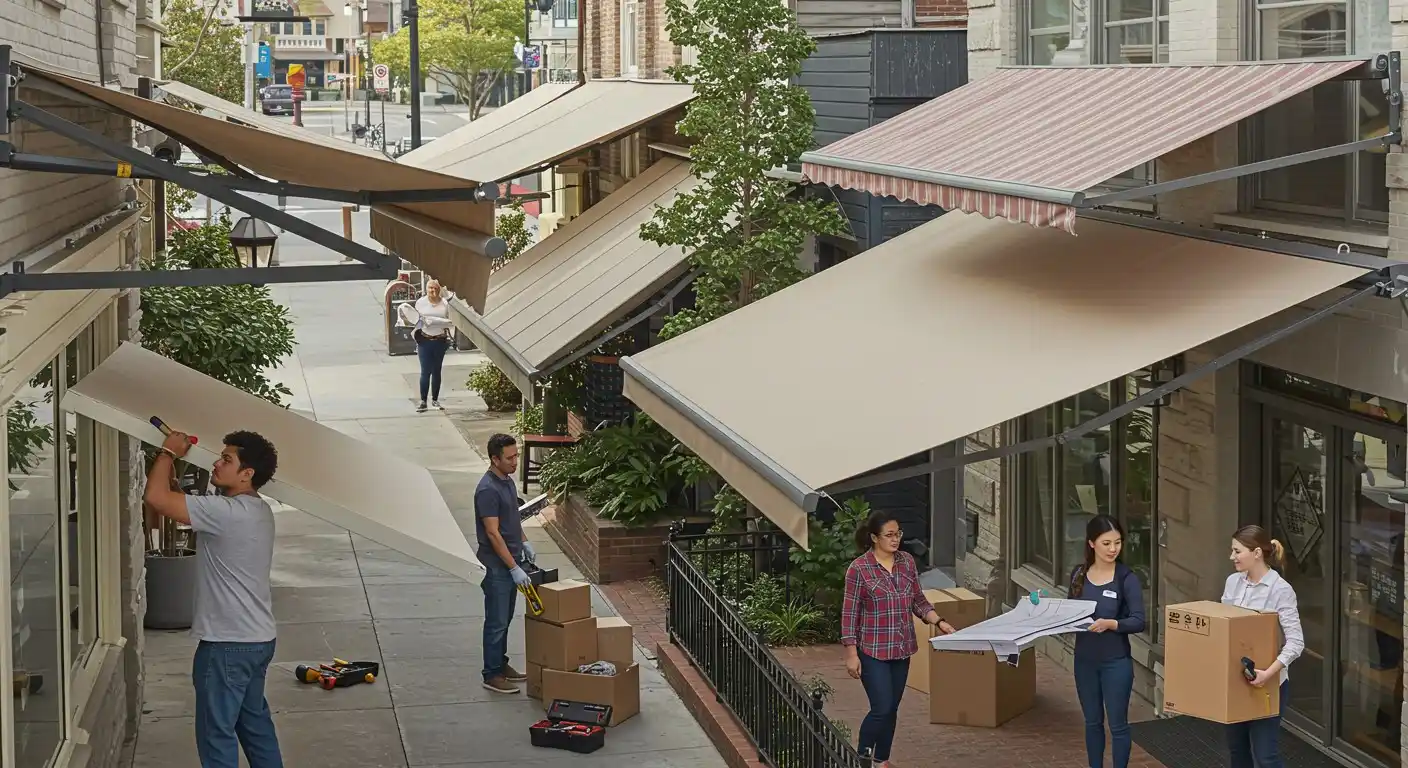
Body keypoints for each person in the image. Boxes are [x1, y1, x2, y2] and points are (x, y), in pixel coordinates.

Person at [143, 429, 283, 768]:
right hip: (257, 639)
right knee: (254, 725)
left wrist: (168, 453)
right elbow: (177, 505)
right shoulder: (258, 510)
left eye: (226, 460)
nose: (216, 464)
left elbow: (156, 498)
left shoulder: (225, 513)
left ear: (247, 473)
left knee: (216, 734)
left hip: (227, 646)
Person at [840, 510, 954, 768]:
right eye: (889, 535)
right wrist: (851, 655)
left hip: (901, 649)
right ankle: (862, 758)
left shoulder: (907, 562)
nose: (895, 539)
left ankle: (882, 760)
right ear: (874, 538)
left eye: (898, 534)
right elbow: (849, 615)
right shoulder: (859, 569)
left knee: (891, 708)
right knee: (881, 708)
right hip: (873, 651)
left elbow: (918, 601)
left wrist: (939, 622)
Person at [1223, 524, 1304, 768]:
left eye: (1237, 551)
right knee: (1237, 750)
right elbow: (1223, 626)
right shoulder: (1232, 582)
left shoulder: (1281, 590)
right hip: (1235, 680)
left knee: (1265, 756)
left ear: (1256, 553)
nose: (1232, 557)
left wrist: (1268, 673)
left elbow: (1296, 642)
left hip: (1268, 682)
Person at [1068, 514, 1146, 768]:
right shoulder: (1078, 574)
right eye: (1106, 543)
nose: (1113, 549)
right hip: (1084, 662)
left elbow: (1138, 621)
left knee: (1118, 725)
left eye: (1118, 542)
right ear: (1092, 543)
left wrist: (1112, 624)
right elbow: (1069, 612)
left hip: (1116, 663)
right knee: (1092, 722)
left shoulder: (1126, 578)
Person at [475, 433, 535, 694]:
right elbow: (492, 532)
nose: (515, 462)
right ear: (494, 459)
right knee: (496, 621)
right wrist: (513, 567)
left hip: (511, 560)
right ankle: (491, 674)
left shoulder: (507, 481)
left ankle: (501, 664)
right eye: (509, 458)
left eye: (516, 456)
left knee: (506, 618)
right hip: (497, 566)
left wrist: (524, 542)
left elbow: (513, 518)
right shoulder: (487, 490)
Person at [414, 279, 455, 413]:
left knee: (436, 371)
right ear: (426, 289)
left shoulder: (444, 304)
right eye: (431, 288)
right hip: (424, 341)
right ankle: (423, 401)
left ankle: (435, 399)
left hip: (439, 340)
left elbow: (450, 321)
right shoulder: (420, 303)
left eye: (436, 288)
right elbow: (416, 320)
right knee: (425, 371)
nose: (433, 291)